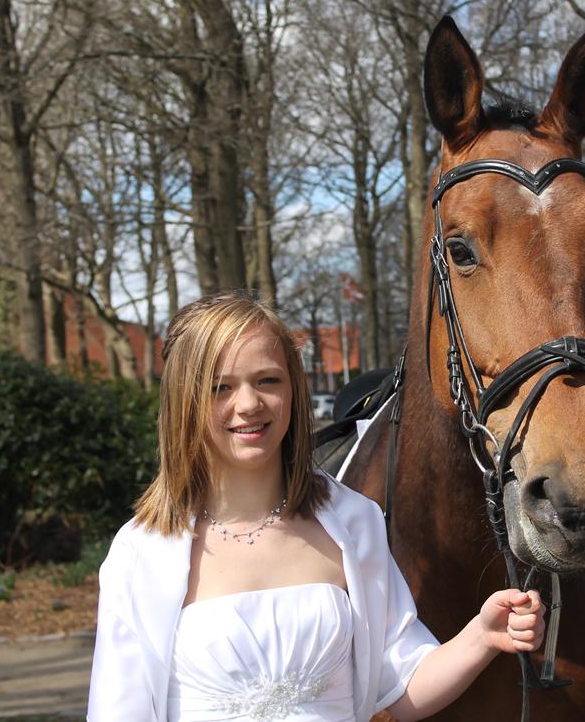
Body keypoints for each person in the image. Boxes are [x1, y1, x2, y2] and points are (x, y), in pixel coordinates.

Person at [87, 291, 545, 722]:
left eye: (267, 380)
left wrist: (482, 636)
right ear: (183, 401)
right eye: (219, 387)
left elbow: (402, 687)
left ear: (293, 390)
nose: (248, 404)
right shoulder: (142, 552)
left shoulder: (352, 522)